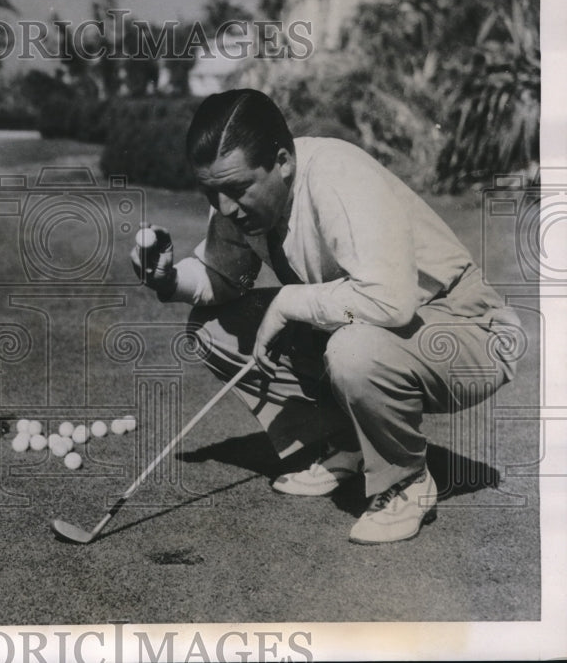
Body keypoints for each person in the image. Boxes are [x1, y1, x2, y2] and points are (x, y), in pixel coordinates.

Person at [132, 88, 520, 544]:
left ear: (283, 162)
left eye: (236, 191)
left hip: (468, 328)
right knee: (212, 328)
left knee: (352, 349)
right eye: (211, 192)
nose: (224, 209)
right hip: (384, 325)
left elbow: (390, 301)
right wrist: (166, 279)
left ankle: (406, 481)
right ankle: (348, 444)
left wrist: (288, 302)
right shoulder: (237, 198)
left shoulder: (337, 175)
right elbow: (224, 277)